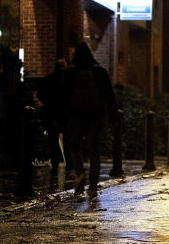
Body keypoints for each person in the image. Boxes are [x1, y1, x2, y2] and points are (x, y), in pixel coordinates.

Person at [61, 42, 117, 198]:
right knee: (94, 151)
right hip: (95, 116)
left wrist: (62, 116)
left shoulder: (69, 72)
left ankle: (80, 173)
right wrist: (113, 117)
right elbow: (110, 96)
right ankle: (92, 186)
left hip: (76, 115)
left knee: (73, 146)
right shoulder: (100, 72)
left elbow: (62, 96)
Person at [37, 59, 67, 187]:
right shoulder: (67, 81)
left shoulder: (48, 80)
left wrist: (47, 104)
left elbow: (40, 95)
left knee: (53, 140)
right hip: (65, 114)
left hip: (51, 113)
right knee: (69, 139)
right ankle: (69, 164)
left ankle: (55, 164)